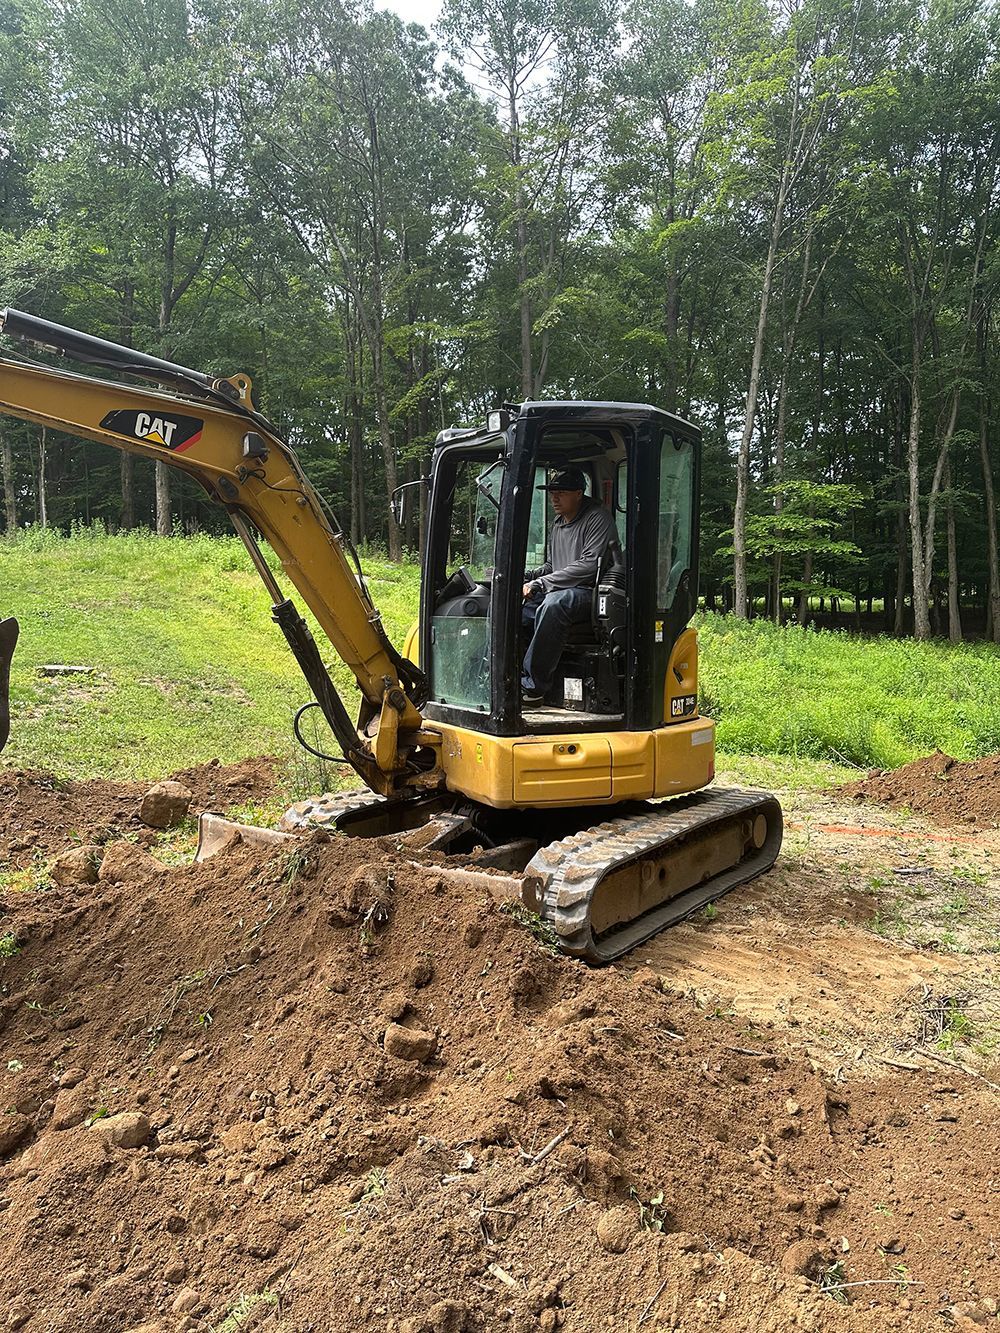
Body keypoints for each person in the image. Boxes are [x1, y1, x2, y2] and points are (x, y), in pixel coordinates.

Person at [521, 467, 619, 705]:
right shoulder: (558, 523)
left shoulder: (597, 518)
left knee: (554, 604)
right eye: (552, 492)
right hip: (562, 589)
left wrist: (541, 583)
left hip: (590, 593)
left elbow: (587, 565)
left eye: (561, 492)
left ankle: (534, 687)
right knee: (512, 608)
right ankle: (504, 675)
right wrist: (525, 576)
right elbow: (552, 565)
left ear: (578, 493)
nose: (554, 498)